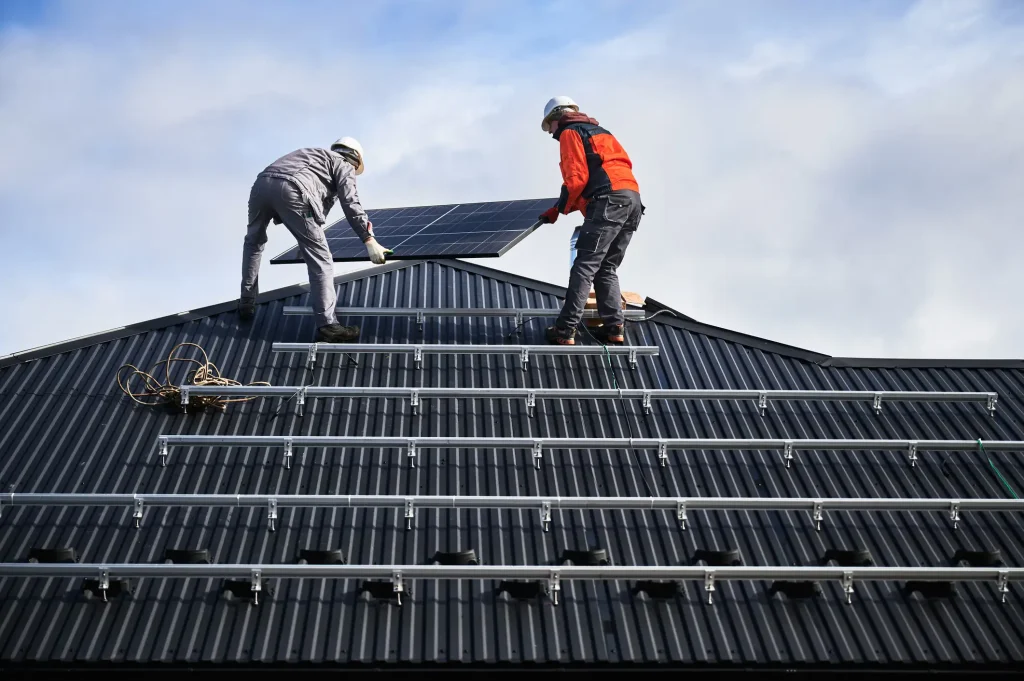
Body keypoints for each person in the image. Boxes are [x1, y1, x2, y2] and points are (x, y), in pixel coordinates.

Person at [238, 138, 391, 342]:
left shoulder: (314, 156)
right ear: (355, 159)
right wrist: (369, 239)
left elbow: (319, 208)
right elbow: (350, 202)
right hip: (293, 188)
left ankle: (247, 301)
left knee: (254, 243)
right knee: (322, 260)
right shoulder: (343, 164)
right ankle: (328, 325)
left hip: (261, 185)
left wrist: (307, 239)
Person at [537, 97, 644, 346]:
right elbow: (603, 175)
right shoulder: (602, 132)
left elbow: (576, 179)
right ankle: (614, 327)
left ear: (556, 118)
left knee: (584, 266)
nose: (550, 132)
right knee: (606, 267)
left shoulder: (570, 132)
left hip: (609, 200)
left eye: (549, 126)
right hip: (632, 201)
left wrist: (558, 209)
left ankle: (565, 329)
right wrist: (567, 206)